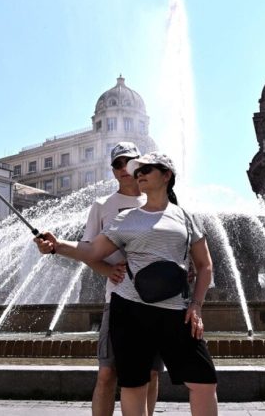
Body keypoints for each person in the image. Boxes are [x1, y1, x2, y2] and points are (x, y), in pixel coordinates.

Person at [35, 152, 218, 416]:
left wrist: (197, 305)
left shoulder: (185, 217)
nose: (139, 174)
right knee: (133, 384)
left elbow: (204, 265)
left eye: (147, 169)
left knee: (204, 381)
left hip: (176, 310)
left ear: (166, 175)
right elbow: (92, 250)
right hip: (130, 309)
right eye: (137, 171)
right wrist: (57, 245)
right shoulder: (126, 218)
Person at [82, 142, 164, 416]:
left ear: (139, 165)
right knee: (107, 373)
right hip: (117, 299)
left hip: (155, 301)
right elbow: (87, 250)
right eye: (117, 164)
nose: (123, 168)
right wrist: (106, 270)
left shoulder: (157, 200)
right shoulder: (102, 206)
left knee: (151, 373)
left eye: (128, 162)